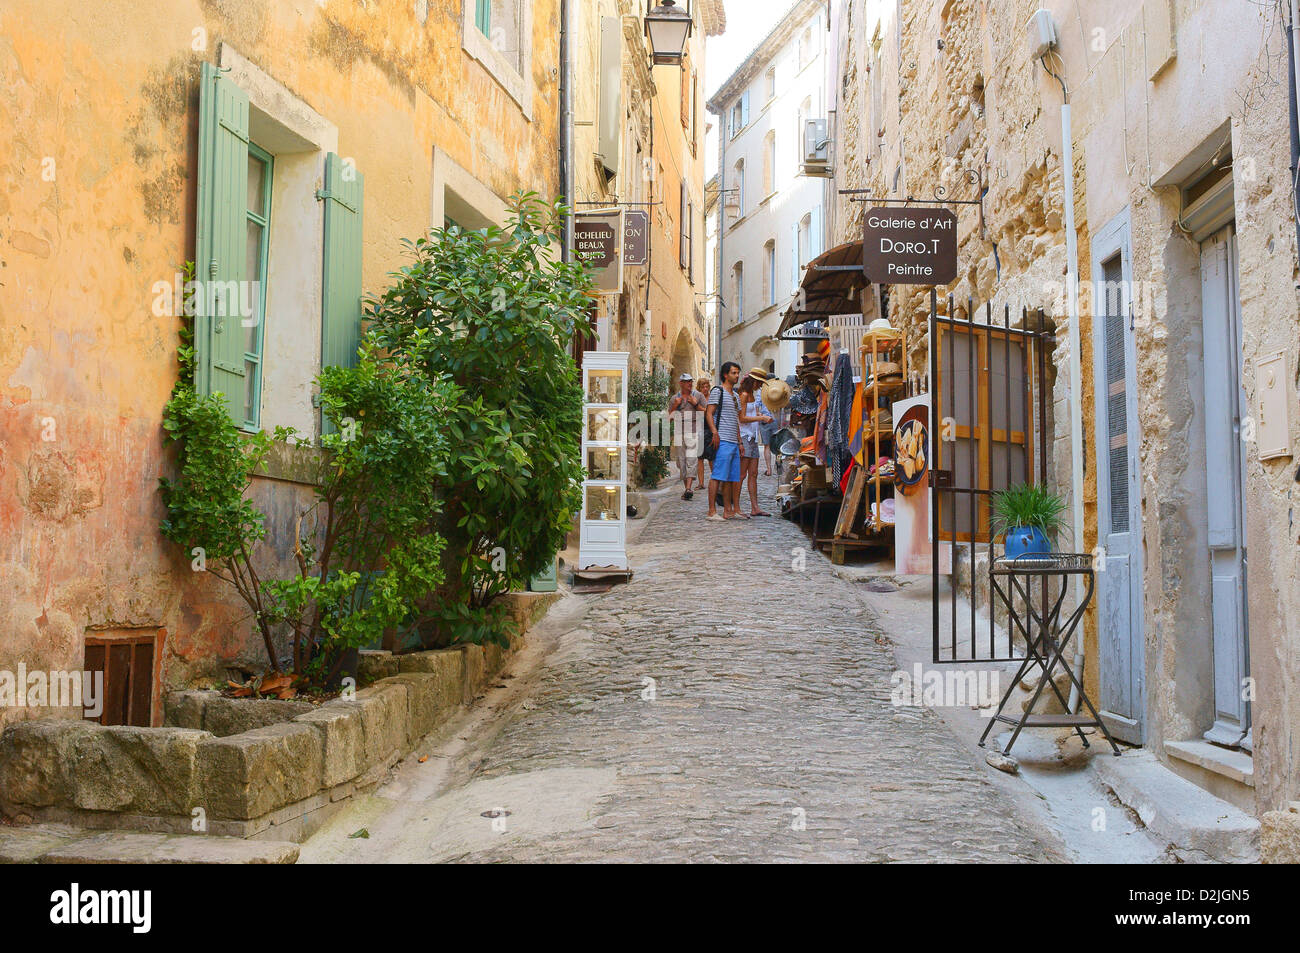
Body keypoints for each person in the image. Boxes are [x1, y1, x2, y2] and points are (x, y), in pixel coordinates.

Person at [706, 362, 743, 521]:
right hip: (722, 440)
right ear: (725, 375)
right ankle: (712, 511)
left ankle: (728, 510)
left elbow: (737, 420)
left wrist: (740, 442)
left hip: (733, 441)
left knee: (730, 477)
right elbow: (709, 413)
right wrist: (715, 432)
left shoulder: (735, 396)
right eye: (734, 373)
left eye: (738, 373)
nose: (737, 376)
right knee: (717, 476)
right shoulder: (717, 391)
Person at [738, 372, 774, 517]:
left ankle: (755, 508)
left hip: (752, 438)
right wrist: (761, 417)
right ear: (753, 382)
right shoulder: (744, 395)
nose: (760, 386)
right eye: (759, 383)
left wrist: (763, 418)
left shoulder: (752, 396)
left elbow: (752, 415)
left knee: (753, 474)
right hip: (745, 437)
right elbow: (741, 418)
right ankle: (736, 508)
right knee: (742, 474)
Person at [666, 373, 704, 500]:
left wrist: (696, 405)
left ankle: (688, 488)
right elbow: (669, 418)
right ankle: (686, 488)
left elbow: (708, 412)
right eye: (687, 382)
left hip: (693, 430)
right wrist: (675, 406)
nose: (690, 384)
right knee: (681, 461)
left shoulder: (698, 396)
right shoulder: (674, 398)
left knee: (691, 460)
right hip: (679, 431)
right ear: (681, 383)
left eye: (691, 381)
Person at [694, 375, 712, 488]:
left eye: (707, 386)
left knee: (711, 457)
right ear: (699, 388)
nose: (705, 388)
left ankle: (716, 480)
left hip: (710, 428)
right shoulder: (697, 398)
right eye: (702, 387)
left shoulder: (711, 398)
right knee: (700, 458)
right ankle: (701, 483)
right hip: (699, 428)